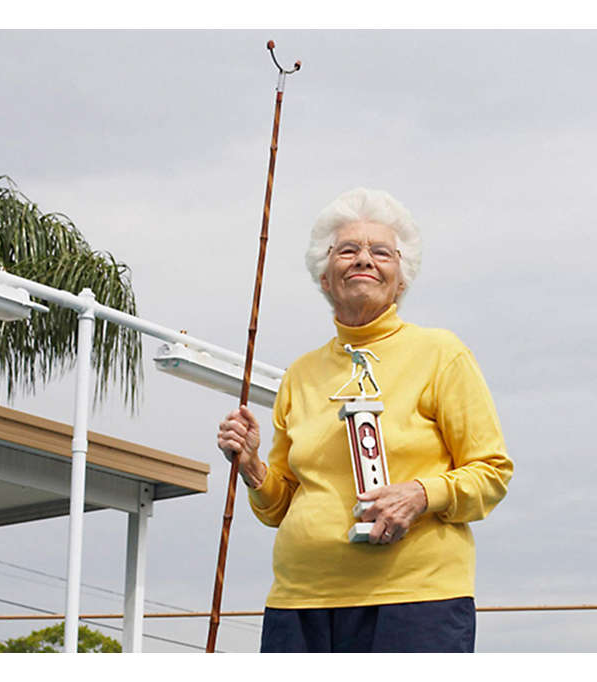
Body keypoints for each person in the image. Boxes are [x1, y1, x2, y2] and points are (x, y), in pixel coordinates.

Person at [217, 187, 513, 653]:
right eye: (348, 250)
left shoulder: (442, 353)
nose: (364, 260)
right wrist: (253, 467)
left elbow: (491, 474)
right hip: (300, 602)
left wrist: (419, 494)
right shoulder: (300, 373)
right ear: (325, 276)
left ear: (401, 279)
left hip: (418, 600)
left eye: (381, 252)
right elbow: (279, 507)